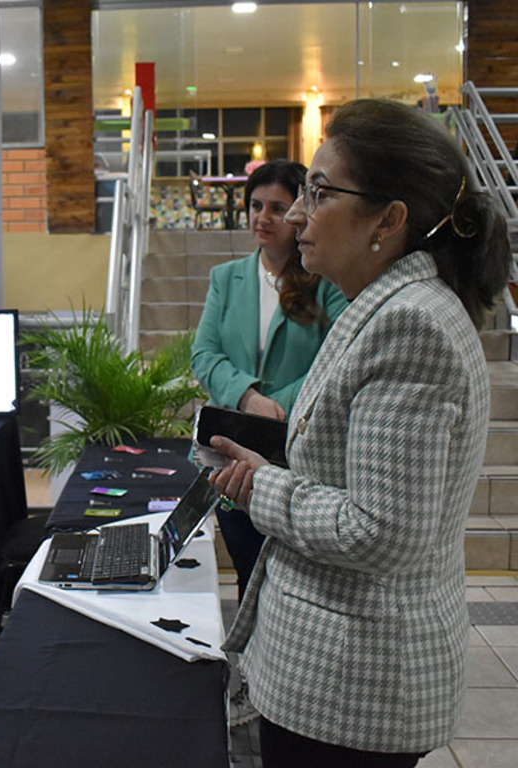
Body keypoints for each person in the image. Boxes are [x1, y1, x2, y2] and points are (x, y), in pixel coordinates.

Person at [209, 99, 511, 767]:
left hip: (353, 690)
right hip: (332, 677)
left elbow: (380, 531)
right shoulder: (382, 306)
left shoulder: (412, 326)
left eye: (317, 193)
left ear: (389, 218)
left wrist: (263, 487)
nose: (293, 215)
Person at [192, 159, 347, 601]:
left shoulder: (325, 281)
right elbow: (204, 355)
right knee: (245, 567)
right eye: (256, 205)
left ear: (301, 212)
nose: (263, 217)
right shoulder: (226, 278)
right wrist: (247, 396)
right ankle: (248, 667)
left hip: (294, 449)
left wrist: (272, 404)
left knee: (289, 581)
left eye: (278, 208)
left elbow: (334, 360)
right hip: (228, 455)